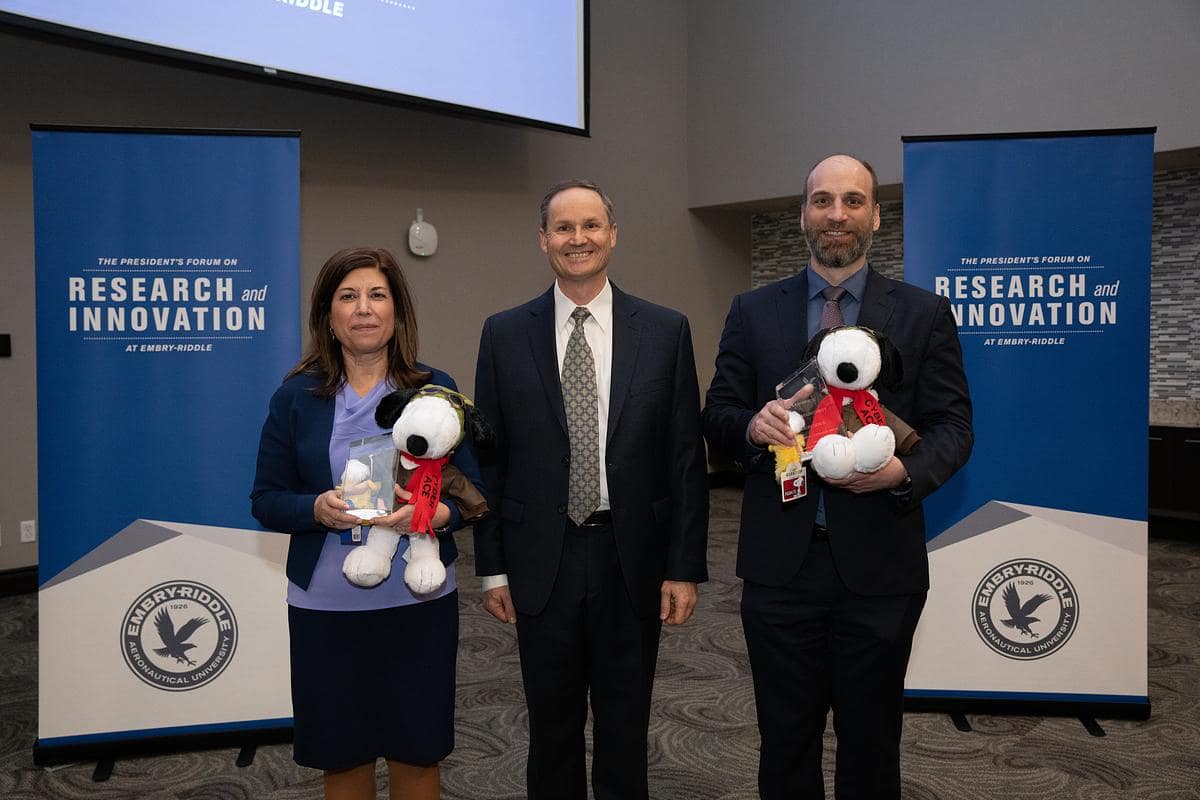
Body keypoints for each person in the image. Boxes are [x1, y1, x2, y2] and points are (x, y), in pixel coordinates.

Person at [702, 155, 973, 799]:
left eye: (853, 201)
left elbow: (954, 429)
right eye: (823, 201)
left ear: (876, 216)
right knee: (785, 741)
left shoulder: (923, 313)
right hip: (780, 569)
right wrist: (751, 427)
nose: (837, 214)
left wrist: (903, 472)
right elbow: (716, 415)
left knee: (872, 743)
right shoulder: (753, 311)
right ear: (804, 214)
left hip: (880, 570)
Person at [472, 179, 709, 800]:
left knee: (626, 725)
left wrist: (683, 568)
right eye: (564, 228)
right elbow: (488, 461)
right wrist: (493, 569)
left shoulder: (665, 331)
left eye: (591, 226)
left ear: (612, 234)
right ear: (543, 240)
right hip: (539, 557)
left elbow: (685, 458)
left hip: (632, 556)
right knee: (550, 729)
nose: (578, 239)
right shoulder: (503, 333)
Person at [251, 247, 482, 800]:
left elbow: (475, 494)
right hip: (326, 611)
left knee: (418, 754)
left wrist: (432, 513)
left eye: (377, 295)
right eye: (347, 296)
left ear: (397, 312)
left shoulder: (434, 387)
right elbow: (265, 498)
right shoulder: (295, 399)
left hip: (417, 605)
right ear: (328, 316)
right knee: (343, 759)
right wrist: (315, 509)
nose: (363, 309)